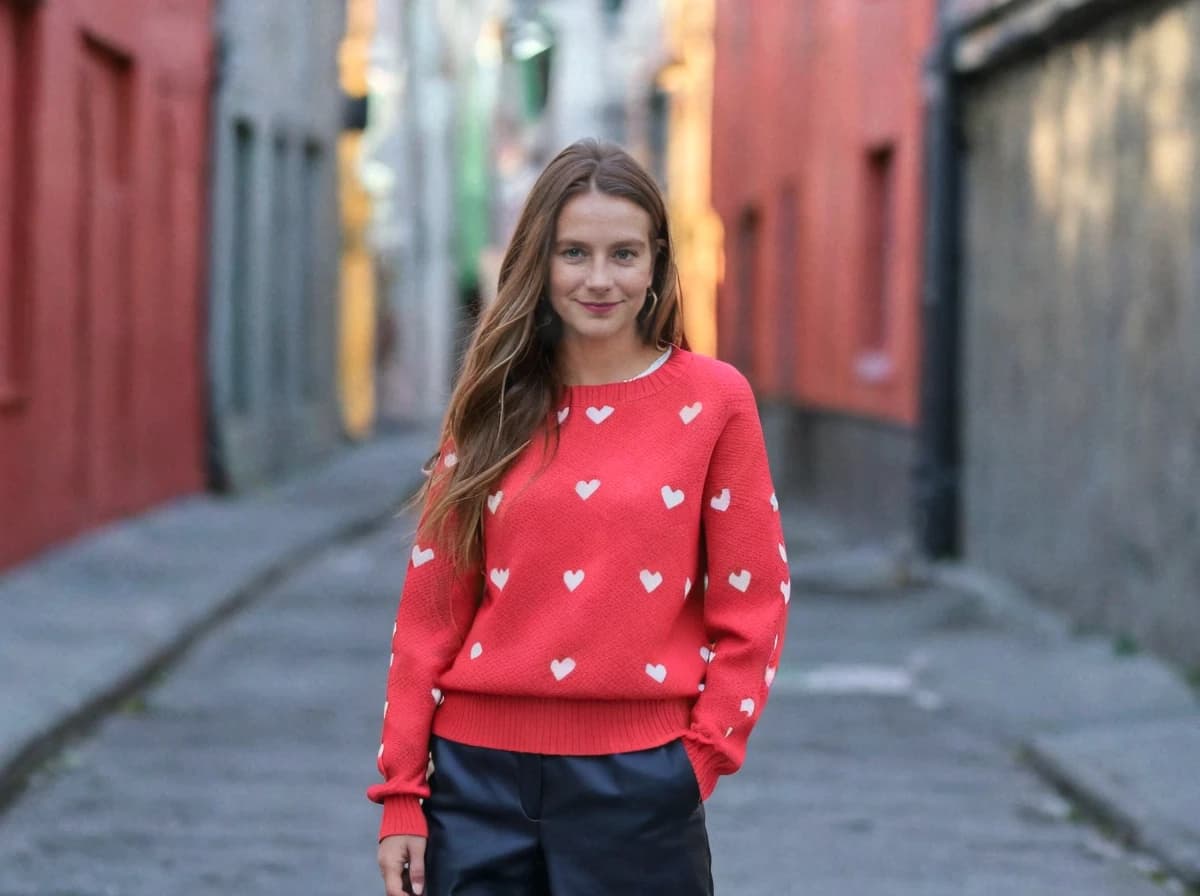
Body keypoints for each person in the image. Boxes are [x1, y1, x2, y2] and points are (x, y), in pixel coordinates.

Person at [368, 138, 790, 896]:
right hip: (475, 784)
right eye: (574, 253)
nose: (600, 279)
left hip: (640, 786)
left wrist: (697, 762)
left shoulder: (715, 403)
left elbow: (753, 603)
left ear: (658, 263)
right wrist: (403, 795)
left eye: (624, 254)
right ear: (541, 261)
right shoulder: (493, 403)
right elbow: (431, 613)